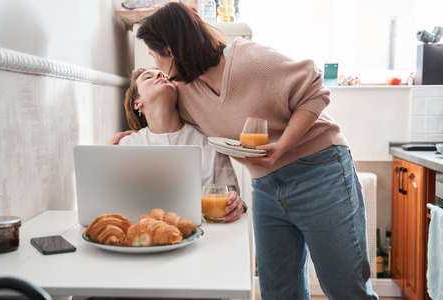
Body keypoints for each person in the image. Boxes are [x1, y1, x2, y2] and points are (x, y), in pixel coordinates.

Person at [114, 3, 379, 300]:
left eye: (155, 56)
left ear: (171, 51)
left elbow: (315, 90)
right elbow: (165, 124)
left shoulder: (250, 60)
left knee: (346, 288)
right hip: (266, 186)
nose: (157, 67)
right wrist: (134, 136)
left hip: (319, 170)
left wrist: (284, 144)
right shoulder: (183, 90)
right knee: (278, 291)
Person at [115, 68, 246, 223]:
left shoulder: (209, 142)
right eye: (148, 77)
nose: (160, 74)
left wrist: (236, 205)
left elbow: (233, 197)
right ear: (137, 103)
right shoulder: (127, 146)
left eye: (164, 75)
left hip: (207, 236)